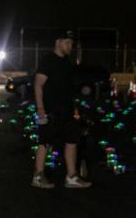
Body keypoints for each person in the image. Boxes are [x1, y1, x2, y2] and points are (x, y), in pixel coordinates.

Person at [31, 30, 91, 189]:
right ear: (58, 42)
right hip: (50, 110)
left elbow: (67, 88)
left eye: (71, 43)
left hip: (66, 110)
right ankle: (38, 176)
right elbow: (38, 85)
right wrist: (40, 107)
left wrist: (75, 108)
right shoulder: (48, 60)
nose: (71, 46)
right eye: (68, 43)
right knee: (45, 142)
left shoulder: (66, 62)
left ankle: (71, 177)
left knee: (72, 139)